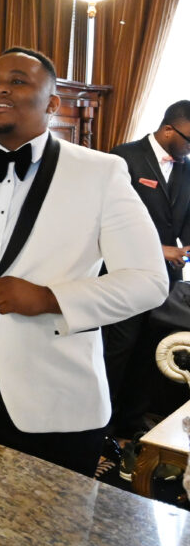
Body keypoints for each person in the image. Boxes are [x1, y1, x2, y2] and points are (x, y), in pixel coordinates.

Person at [0, 46, 167, 476]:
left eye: (17, 81)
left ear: (52, 103)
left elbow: (149, 280)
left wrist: (51, 298)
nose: (0, 89)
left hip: (58, 401)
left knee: (54, 519)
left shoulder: (101, 173)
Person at [105, 101, 190, 439]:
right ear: (168, 129)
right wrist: (159, 249)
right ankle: (102, 425)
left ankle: (132, 420)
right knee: (118, 350)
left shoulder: (186, 167)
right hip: (124, 274)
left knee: (148, 349)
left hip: (165, 278)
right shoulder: (123, 158)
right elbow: (108, 223)